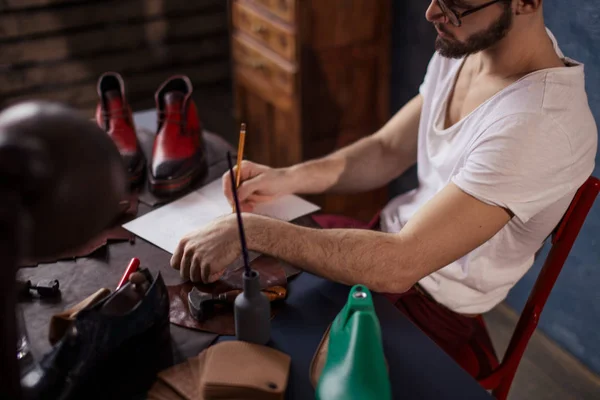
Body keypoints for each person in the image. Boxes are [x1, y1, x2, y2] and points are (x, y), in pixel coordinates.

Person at [170, 0, 597, 377]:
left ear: (525, 2)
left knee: (249, 348)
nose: (433, 13)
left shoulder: (539, 125)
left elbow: (402, 263)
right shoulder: (472, 42)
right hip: (386, 243)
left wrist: (254, 230)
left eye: (454, 4)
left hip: (427, 304)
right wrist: (286, 178)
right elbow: (387, 148)